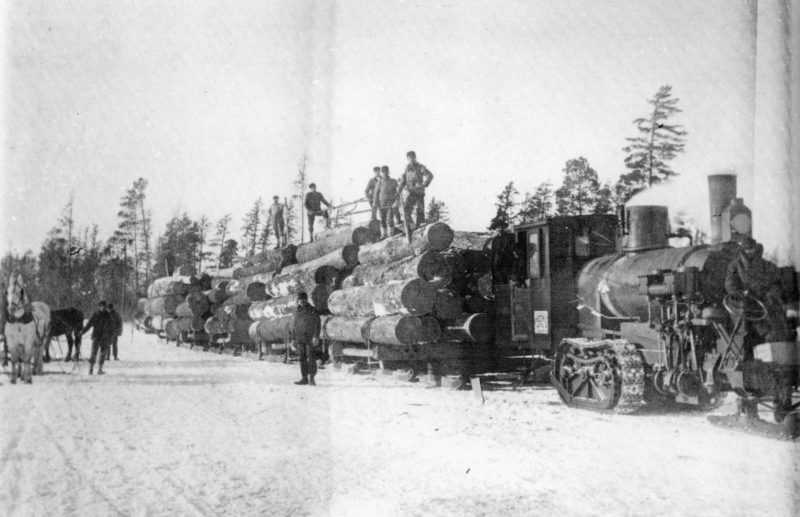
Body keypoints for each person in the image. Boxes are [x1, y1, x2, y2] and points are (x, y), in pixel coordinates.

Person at [724, 237, 790, 345]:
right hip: (746, 298)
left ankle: (779, 339)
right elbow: (730, 283)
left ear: (756, 249)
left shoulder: (767, 265)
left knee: (775, 309)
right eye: (747, 249)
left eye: (752, 249)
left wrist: (772, 293)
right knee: (751, 312)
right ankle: (764, 335)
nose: (750, 251)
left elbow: (776, 282)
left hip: (765, 298)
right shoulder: (735, 265)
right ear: (742, 251)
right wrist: (739, 293)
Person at [398, 150, 434, 229]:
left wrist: (423, 184)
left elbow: (429, 175)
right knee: (406, 208)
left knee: (419, 209)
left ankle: (420, 226)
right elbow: (404, 179)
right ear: (407, 159)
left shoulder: (420, 167)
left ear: (415, 157)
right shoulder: (407, 168)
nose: (411, 159)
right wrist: (400, 186)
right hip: (410, 191)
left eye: (412, 157)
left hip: (418, 191)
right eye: (409, 158)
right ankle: (410, 225)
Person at [292, 292, 320, 386]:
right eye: (300, 300)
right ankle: (304, 378)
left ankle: (312, 378)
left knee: (311, 358)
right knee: (302, 358)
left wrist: (316, 336)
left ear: (306, 300)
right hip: (299, 338)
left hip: (309, 338)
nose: (301, 302)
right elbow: (295, 325)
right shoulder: (297, 311)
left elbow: (317, 324)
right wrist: (293, 338)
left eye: (303, 300)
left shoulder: (312, 310)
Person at [81, 300, 115, 375]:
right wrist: (82, 332)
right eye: (101, 306)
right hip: (96, 336)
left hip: (105, 337)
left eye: (104, 306)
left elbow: (112, 327)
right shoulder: (95, 315)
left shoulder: (108, 316)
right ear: (99, 307)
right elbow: (89, 325)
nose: (103, 308)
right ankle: (91, 369)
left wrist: (111, 337)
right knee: (93, 353)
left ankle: (100, 369)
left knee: (103, 354)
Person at [373, 165, 399, 239]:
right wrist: (375, 204)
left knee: (390, 218)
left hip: (391, 203)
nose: (385, 174)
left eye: (386, 172)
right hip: (382, 203)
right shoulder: (379, 182)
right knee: (382, 219)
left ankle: (390, 234)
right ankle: (383, 235)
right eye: (383, 172)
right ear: (381, 173)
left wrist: (397, 201)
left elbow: (398, 193)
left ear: (388, 172)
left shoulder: (393, 181)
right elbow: (376, 194)